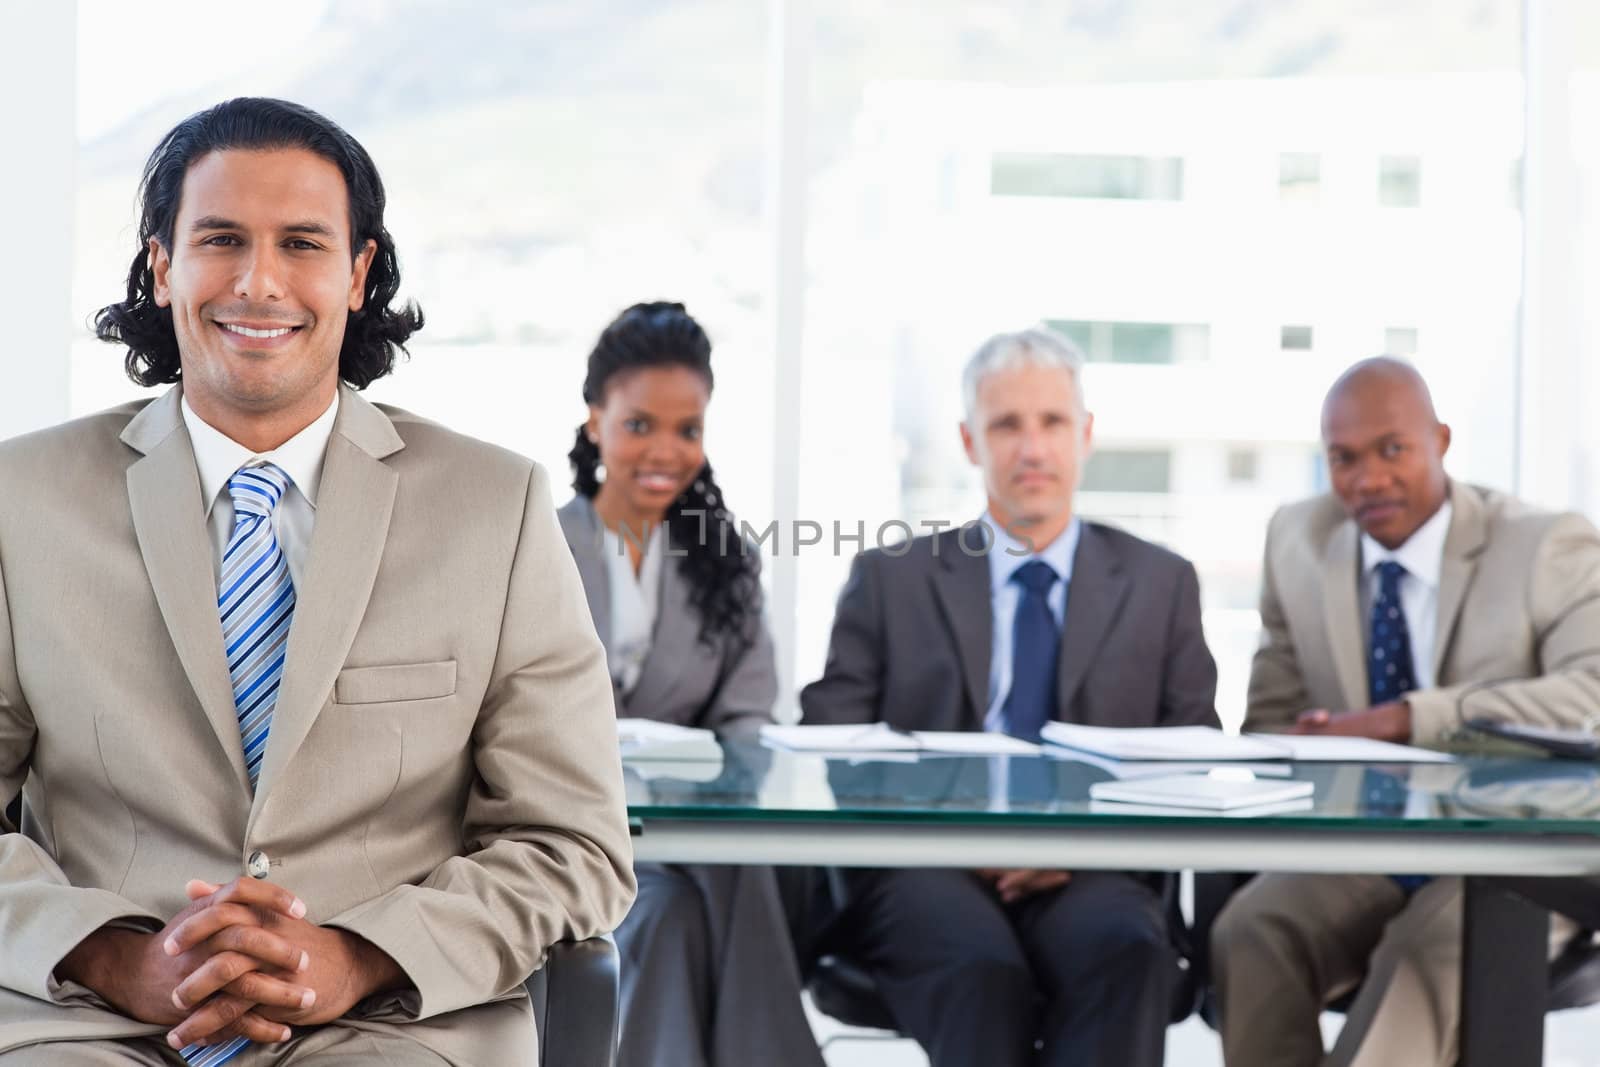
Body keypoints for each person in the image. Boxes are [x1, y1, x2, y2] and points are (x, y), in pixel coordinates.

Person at [0, 98, 635, 1066]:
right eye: (220, 239)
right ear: (161, 263)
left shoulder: (494, 505)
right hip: (94, 1021)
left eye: (302, 242)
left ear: (358, 271)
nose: (259, 282)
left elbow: (573, 844)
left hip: (389, 1023)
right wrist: (115, 955)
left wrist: (356, 957)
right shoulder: (20, 499)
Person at [799, 326, 1219, 1067]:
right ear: (969, 441)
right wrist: (954, 834)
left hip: (1093, 865)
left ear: (1085, 434)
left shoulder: (1161, 583)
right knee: (982, 971)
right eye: (1006, 424)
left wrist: (1075, 847)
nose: (1032, 448)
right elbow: (832, 743)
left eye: (1053, 422)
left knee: (1127, 950)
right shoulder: (890, 578)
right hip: (929, 868)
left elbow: (1191, 753)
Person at [1211, 356, 1600, 1067]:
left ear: (1441, 441)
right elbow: (1271, 718)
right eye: (1344, 458)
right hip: (1371, 847)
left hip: (1520, 858)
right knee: (1252, 928)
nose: (1369, 479)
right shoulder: (1297, 540)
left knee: (1422, 955)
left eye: (1393, 449)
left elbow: (1594, 694)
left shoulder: (1544, 545)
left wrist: (1408, 718)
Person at [558, 302, 823, 1067]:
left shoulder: (725, 557)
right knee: (670, 906)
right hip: (572, 832)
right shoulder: (535, 542)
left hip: (692, 830)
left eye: (688, 429)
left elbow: (747, 715)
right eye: (640, 424)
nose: (664, 451)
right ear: (595, 421)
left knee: (721, 874)